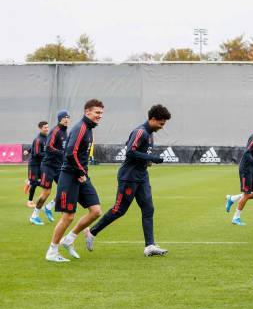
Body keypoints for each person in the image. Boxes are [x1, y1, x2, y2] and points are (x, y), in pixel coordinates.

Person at [84, 105, 172, 256]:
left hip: (142, 176)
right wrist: (152, 158)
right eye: (161, 123)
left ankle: (149, 246)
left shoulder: (149, 133)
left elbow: (130, 145)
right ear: (152, 119)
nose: (162, 127)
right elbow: (130, 151)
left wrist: (146, 161)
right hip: (129, 177)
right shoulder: (141, 132)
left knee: (148, 209)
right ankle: (91, 232)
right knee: (119, 210)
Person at [45, 99, 104, 262]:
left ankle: (69, 239)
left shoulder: (89, 129)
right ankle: (52, 251)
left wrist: (83, 174)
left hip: (81, 176)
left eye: (101, 113)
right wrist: (81, 172)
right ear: (87, 112)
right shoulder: (81, 129)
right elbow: (71, 154)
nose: (100, 116)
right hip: (71, 176)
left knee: (96, 211)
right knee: (68, 217)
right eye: (97, 112)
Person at [30, 111, 70, 224]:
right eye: (64, 118)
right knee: (46, 192)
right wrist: (62, 153)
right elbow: (48, 147)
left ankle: (49, 207)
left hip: (59, 166)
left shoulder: (65, 132)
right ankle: (34, 216)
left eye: (68, 117)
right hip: (48, 166)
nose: (66, 119)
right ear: (60, 119)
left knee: (65, 189)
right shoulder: (55, 131)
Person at [25, 121, 49, 213]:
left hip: (41, 164)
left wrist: (28, 150)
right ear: (40, 128)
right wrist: (48, 154)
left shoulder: (47, 137)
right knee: (35, 183)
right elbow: (37, 153)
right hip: (34, 164)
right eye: (45, 127)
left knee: (43, 182)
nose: (47, 129)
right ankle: (30, 201)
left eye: (47, 127)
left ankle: (29, 181)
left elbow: (33, 147)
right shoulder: (38, 139)